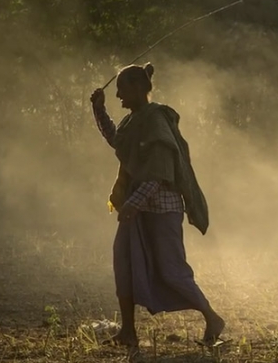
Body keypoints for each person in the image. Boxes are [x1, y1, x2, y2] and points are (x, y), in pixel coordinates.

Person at [89, 62, 225, 348]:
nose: (118, 96)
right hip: (138, 208)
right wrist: (99, 110)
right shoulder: (134, 120)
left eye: (122, 90)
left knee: (171, 269)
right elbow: (118, 142)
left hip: (162, 209)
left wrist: (132, 204)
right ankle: (128, 331)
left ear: (139, 88)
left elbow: (160, 174)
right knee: (124, 263)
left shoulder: (156, 120)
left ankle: (212, 318)